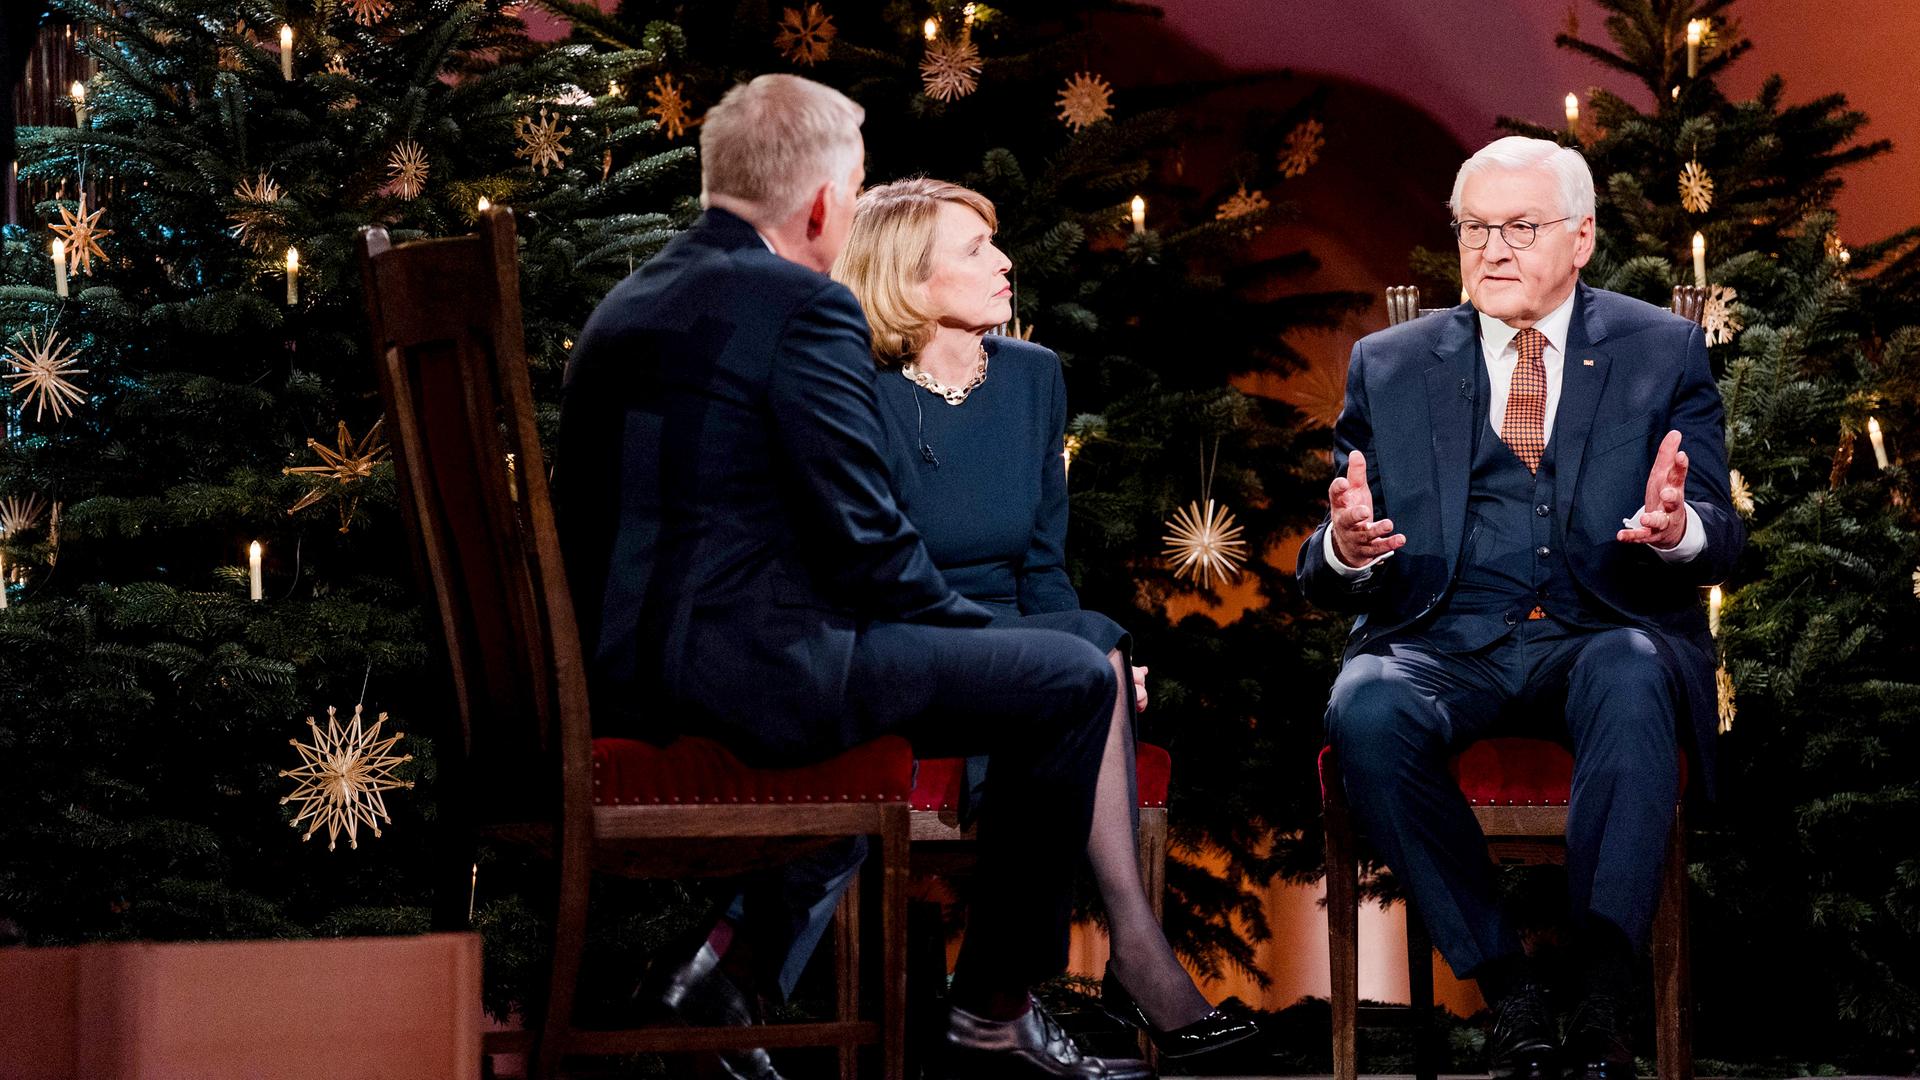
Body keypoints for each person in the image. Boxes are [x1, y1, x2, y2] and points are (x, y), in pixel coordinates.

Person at [554, 74, 1151, 1080]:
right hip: (752, 673)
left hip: (618, 669)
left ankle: (724, 971)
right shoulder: (800, 308)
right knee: (1071, 678)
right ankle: (993, 1017)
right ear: (827, 202)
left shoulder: (632, 299)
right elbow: (871, 546)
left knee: (999, 663)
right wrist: (990, 640)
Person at [1297, 136, 1742, 1080]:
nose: (1492, 249)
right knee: (1367, 703)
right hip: (1443, 637)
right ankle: (1511, 992)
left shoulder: (1661, 349)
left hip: (1598, 627)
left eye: (1520, 227)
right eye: (1474, 229)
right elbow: (1327, 550)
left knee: (1632, 674)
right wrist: (1345, 546)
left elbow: (1720, 530)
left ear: (1581, 237)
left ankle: (1600, 991)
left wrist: (1677, 530)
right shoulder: (1391, 362)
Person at [830, 177, 1257, 1060]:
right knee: (1083, 659)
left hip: (1020, 641)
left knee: (1088, 651)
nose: (1005, 261)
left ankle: (1036, 987)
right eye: (976, 249)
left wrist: (1075, 653)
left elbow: (1041, 566)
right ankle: (1129, 961)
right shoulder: (855, 388)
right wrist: (1069, 658)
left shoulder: (1033, 377)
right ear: (908, 279)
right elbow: (867, 577)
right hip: (906, 639)